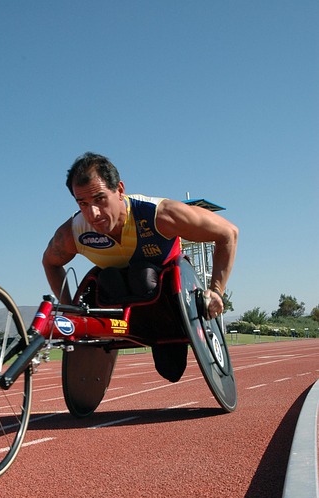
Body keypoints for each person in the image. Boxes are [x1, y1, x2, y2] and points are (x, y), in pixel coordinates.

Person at [43, 152, 238, 382]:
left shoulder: (159, 215)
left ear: (120, 190)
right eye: (83, 204)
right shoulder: (74, 232)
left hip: (168, 301)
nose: (93, 214)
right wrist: (68, 306)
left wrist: (216, 291)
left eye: (100, 199)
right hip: (117, 299)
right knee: (108, 279)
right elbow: (50, 262)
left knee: (170, 369)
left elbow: (228, 233)